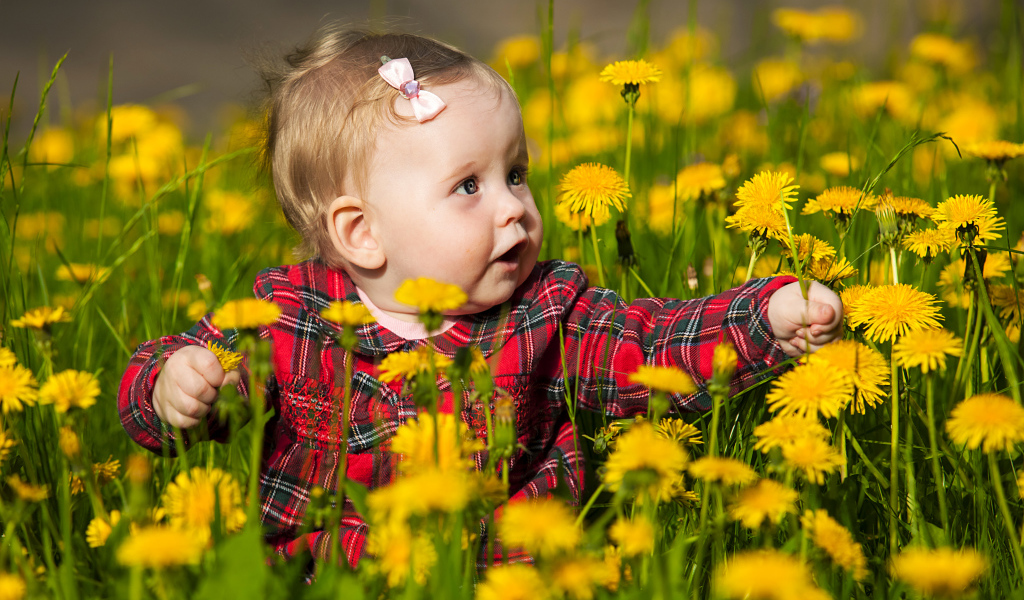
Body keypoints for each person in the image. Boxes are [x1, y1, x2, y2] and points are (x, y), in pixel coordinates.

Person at [118, 25, 843, 568]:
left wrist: (767, 315)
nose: (513, 209)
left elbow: (652, 344)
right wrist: (175, 387)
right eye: (470, 185)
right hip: (329, 577)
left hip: (510, 574)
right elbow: (181, 383)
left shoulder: (547, 311)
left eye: (516, 173)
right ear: (361, 232)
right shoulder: (288, 318)